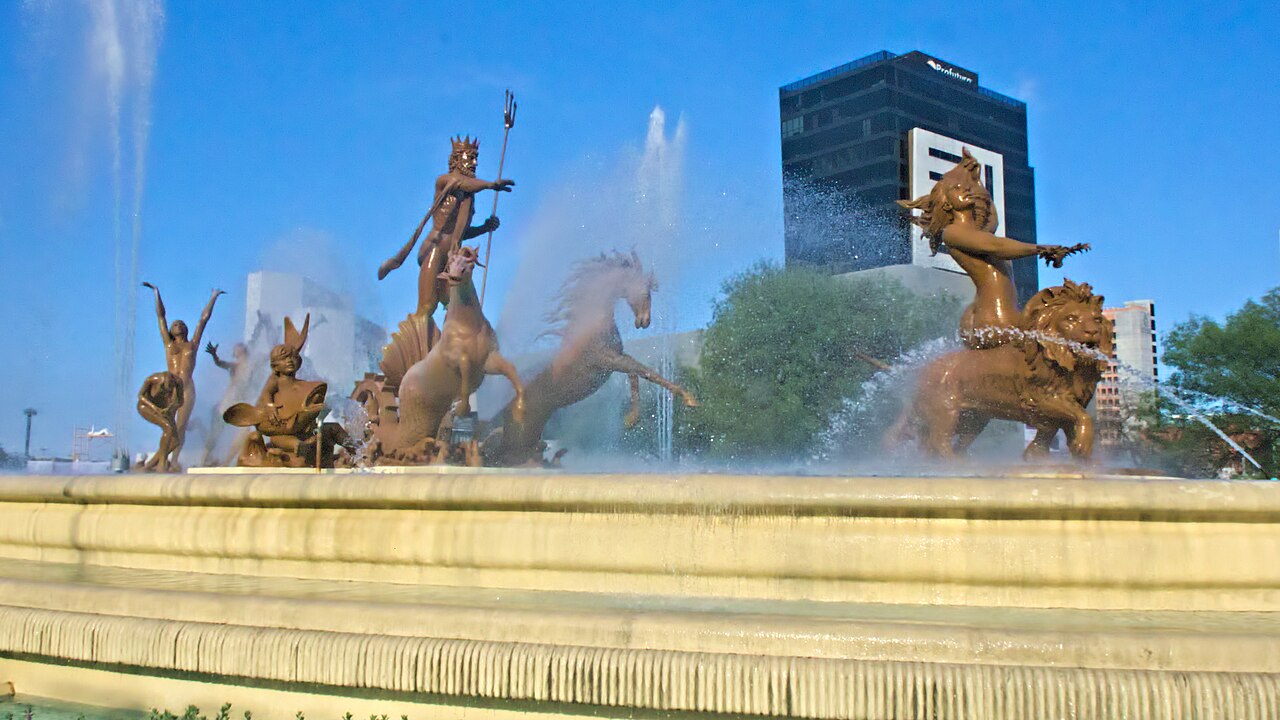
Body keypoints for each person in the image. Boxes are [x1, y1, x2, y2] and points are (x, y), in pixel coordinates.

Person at [897, 148, 1086, 348]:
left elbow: (991, 216)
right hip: (997, 319)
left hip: (1005, 314)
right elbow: (996, 246)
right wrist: (1040, 249)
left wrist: (976, 180)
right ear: (946, 204)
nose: (965, 189)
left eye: (966, 187)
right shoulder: (953, 232)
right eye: (957, 189)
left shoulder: (977, 231)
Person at [378, 135, 514, 319]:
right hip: (435, 250)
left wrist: (484, 227)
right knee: (427, 307)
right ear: (457, 159)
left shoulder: (469, 197)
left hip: (453, 256)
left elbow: (461, 232)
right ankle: (417, 342)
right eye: (470, 157)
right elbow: (462, 183)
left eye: (476, 158)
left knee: (458, 310)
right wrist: (490, 185)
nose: (474, 162)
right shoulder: (444, 182)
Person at [141, 282, 224, 459]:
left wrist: (213, 297)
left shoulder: (192, 344)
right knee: (168, 426)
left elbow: (203, 320)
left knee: (180, 426)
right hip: (170, 388)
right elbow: (161, 317)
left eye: (182, 324)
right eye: (176, 324)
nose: (179, 325)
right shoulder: (168, 344)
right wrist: (156, 292)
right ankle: (160, 458)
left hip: (186, 388)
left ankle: (172, 459)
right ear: (171, 330)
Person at [136, 371, 184, 472]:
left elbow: (180, 401)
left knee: (175, 441)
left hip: (164, 410)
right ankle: (162, 462)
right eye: (164, 390)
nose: (167, 392)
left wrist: (171, 407)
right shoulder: (152, 379)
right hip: (146, 407)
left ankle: (150, 465)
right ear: (161, 382)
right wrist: (154, 407)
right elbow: (140, 395)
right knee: (168, 428)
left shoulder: (178, 382)